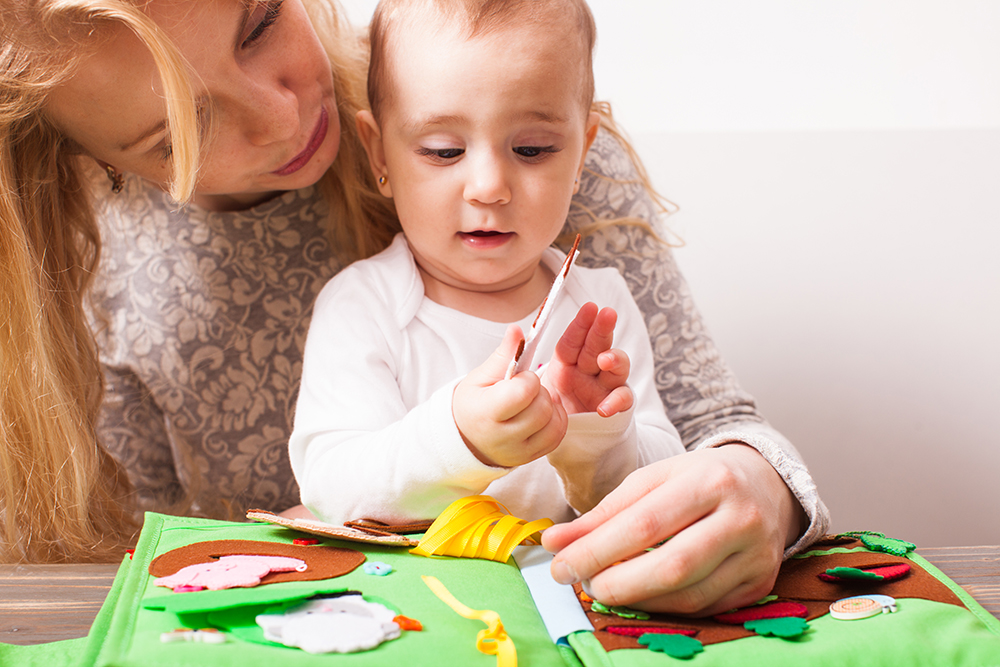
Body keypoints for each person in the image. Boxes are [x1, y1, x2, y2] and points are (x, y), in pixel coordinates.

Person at [0, 0, 827, 616]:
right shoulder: (97, 282)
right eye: (180, 131)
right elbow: (144, 577)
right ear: (91, 164)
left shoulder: (507, 99)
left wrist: (760, 488)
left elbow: (708, 427)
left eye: (258, 22)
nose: (282, 113)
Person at [287, 0, 685, 526]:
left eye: (534, 149)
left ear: (580, 155)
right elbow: (331, 487)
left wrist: (597, 434)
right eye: (443, 151)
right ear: (380, 155)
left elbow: (668, 484)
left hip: (568, 594)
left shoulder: (599, 306)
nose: (490, 187)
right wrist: (457, 437)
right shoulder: (364, 305)